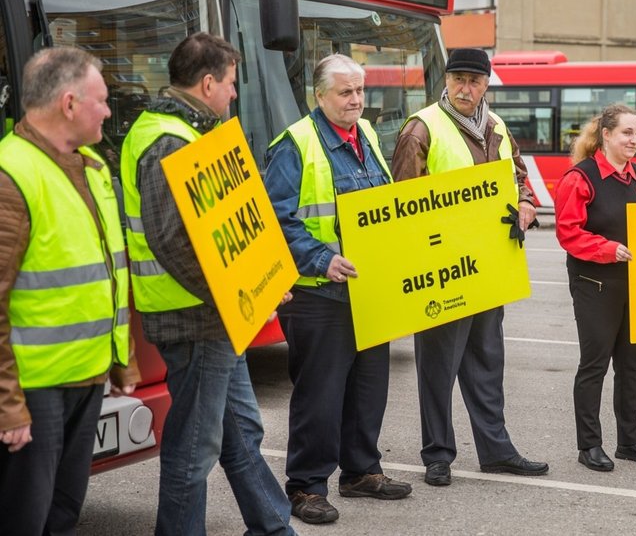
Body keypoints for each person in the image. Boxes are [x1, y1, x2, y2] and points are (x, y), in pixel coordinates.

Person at [120, 33, 295, 536]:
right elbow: (175, 243)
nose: (235, 94)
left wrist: (258, 284)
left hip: (212, 318)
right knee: (194, 450)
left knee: (240, 433)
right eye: (232, 84)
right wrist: (242, 291)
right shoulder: (167, 142)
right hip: (195, 319)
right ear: (208, 82)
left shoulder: (190, 134)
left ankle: (274, 528)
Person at [264, 54, 412, 525]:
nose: (356, 100)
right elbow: (276, 219)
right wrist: (321, 258)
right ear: (319, 96)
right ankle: (306, 487)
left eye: (361, 91)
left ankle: (361, 471)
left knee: (369, 389)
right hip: (318, 294)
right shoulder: (296, 144)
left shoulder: (365, 134)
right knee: (320, 396)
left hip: (367, 290)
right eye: (346, 92)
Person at [391, 47, 549, 486]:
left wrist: (525, 204)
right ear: (446, 80)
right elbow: (404, 203)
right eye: (458, 78)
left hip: (490, 266)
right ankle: (437, 455)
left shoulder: (496, 125)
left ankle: (496, 450)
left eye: (475, 81)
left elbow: (519, 177)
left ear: (486, 85)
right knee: (438, 367)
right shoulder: (421, 129)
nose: (466, 88)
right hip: (443, 269)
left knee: (486, 363)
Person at [0, 47, 139, 535]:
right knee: (24, 518)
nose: (109, 110)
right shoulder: (10, 174)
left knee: (63, 513)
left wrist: (120, 361)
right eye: (101, 100)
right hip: (35, 390)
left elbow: (107, 275)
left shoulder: (91, 166)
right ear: (69, 103)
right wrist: (7, 404)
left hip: (85, 377)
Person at [554, 104, 636, 472]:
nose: (634, 140)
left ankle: (630, 442)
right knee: (595, 365)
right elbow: (568, 233)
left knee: (633, 364)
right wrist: (607, 249)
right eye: (626, 133)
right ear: (606, 134)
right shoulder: (580, 178)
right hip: (594, 283)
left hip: (635, 283)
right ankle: (589, 446)